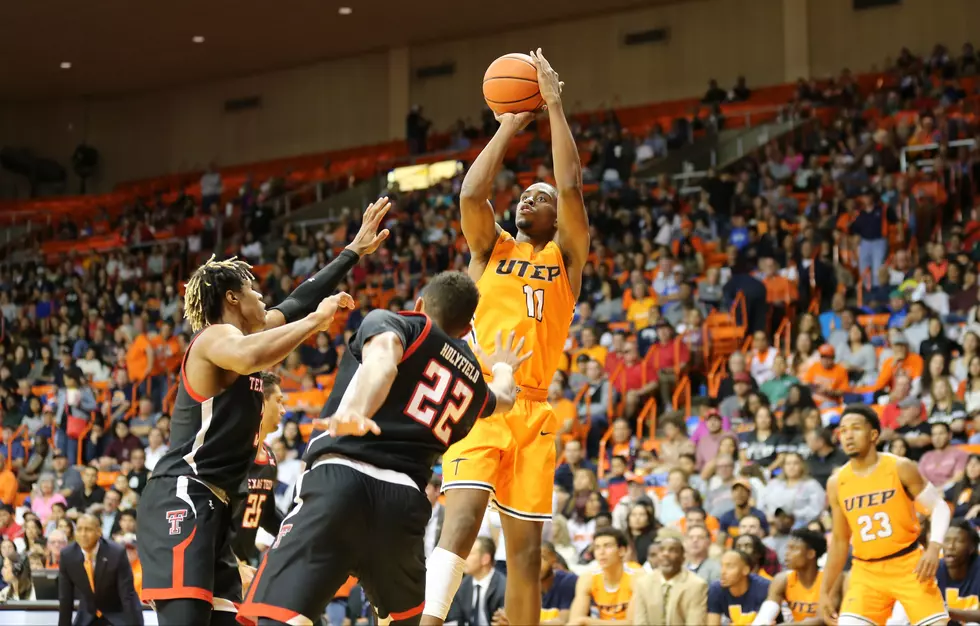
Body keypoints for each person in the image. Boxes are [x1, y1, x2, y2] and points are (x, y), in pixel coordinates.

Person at [139, 198, 389, 626]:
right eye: (254, 291)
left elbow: (297, 300)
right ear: (233, 297)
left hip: (215, 506)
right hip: (182, 493)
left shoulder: (244, 335)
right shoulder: (215, 339)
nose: (263, 298)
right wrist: (314, 323)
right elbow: (252, 354)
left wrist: (351, 252)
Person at [238, 271, 525, 626]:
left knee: (277, 615)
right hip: (404, 507)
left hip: (341, 481)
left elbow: (383, 362)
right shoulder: (473, 382)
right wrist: (502, 367)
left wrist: (357, 410)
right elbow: (505, 399)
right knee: (404, 621)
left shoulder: (395, 323)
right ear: (466, 331)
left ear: (419, 306)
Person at [426, 49, 590, 626]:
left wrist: (553, 105)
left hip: (534, 410)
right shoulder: (488, 249)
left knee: (524, 559)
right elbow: (471, 195)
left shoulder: (565, 258)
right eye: (526, 194)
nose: (532, 198)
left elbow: (570, 186)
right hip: (478, 399)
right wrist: (507, 125)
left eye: (540, 199)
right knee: (463, 520)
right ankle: (430, 619)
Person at [819, 404, 950, 626]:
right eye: (843, 430)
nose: (848, 435)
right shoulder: (836, 482)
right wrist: (825, 592)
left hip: (908, 565)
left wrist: (934, 547)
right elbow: (840, 542)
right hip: (866, 572)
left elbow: (939, 507)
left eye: (855, 428)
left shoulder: (900, 467)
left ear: (873, 435)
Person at [231, 372, 285, 565]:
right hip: (217, 561)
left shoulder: (269, 457)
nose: (283, 410)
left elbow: (268, 515)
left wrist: (296, 535)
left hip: (244, 561)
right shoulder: (231, 451)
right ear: (261, 403)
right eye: (278, 401)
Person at [58, 514, 143, 626]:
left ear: (99, 532)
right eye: (79, 529)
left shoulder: (116, 553)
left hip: (117, 615)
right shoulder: (67, 555)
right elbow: (65, 599)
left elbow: (127, 595)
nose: (83, 534)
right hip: (87, 616)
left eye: (88, 530)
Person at [628, 536, 708, 625]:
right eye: (661, 550)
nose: (665, 554)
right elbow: (640, 622)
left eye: (672, 550)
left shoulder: (696, 585)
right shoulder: (643, 583)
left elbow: (695, 623)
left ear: (683, 558)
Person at [752, 528, 826, 625]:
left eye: (793, 549)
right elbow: (767, 610)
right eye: (788, 548)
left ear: (811, 554)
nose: (786, 553)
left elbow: (822, 620)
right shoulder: (782, 579)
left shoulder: (828, 579)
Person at [568, 528, 638, 624]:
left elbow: (633, 623)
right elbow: (575, 620)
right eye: (597, 547)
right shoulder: (588, 579)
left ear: (622, 551)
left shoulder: (637, 577)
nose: (601, 552)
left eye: (607, 546)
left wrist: (587, 622)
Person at [445, 537, 507, 626]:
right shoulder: (462, 585)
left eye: (470, 554)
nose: (464, 557)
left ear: (485, 559)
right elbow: (455, 619)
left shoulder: (504, 587)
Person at [706, 550, 770, 626]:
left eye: (729, 567)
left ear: (745, 570)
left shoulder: (764, 587)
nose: (723, 572)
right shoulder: (715, 589)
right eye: (722, 566)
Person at [937, 519, 980, 625]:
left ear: (972, 548)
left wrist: (950, 612)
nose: (950, 546)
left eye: (958, 541)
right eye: (947, 540)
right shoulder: (933, 569)